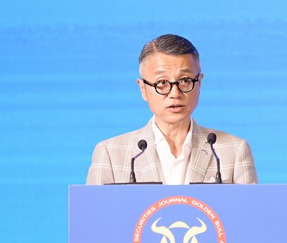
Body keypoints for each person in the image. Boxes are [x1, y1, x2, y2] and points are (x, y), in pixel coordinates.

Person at [86, 34, 258, 185]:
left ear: (199, 83)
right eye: (162, 83)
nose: (175, 94)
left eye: (185, 80)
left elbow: (248, 212)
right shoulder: (110, 153)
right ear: (143, 88)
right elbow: (95, 213)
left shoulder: (233, 150)